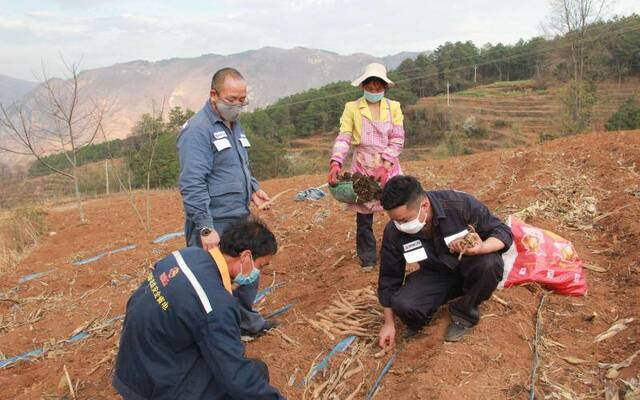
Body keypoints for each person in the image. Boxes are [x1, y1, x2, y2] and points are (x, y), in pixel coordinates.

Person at [113, 219, 286, 400]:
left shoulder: (187, 255)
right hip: (157, 385)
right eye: (260, 266)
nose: (258, 273)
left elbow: (136, 299)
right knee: (256, 372)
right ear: (246, 256)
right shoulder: (215, 304)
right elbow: (236, 377)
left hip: (130, 369)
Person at [177, 67, 273, 336]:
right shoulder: (198, 131)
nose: (238, 105)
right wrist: (205, 228)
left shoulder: (233, 125)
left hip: (238, 216)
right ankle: (222, 334)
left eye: (242, 99)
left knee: (246, 273)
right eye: (232, 99)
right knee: (216, 282)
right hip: (214, 222)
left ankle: (246, 324)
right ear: (213, 95)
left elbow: (236, 165)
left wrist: (253, 188)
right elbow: (192, 183)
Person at [376, 176, 513, 345]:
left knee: (489, 264)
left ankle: (464, 313)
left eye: (404, 220)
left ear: (424, 205)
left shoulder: (460, 205)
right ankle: (428, 314)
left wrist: (481, 248)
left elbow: (503, 232)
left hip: (471, 266)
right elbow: (389, 279)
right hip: (436, 274)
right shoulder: (394, 231)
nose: (400, 225)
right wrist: (389, 323)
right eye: (395, 220)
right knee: (404, 305)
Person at [327, 63, 405, 272]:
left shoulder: (394, 107)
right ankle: (368, 257)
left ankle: (401, 250)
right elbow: (344, 136)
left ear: (384, 88)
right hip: (362, 165)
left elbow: (397, 139)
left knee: (398, 209)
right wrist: (336, 162)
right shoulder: (352, 108)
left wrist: (386, 166)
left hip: (387, 165)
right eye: (369, 88)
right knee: (364, 215)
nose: (373, 91)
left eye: (377, 88)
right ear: (363, 86)